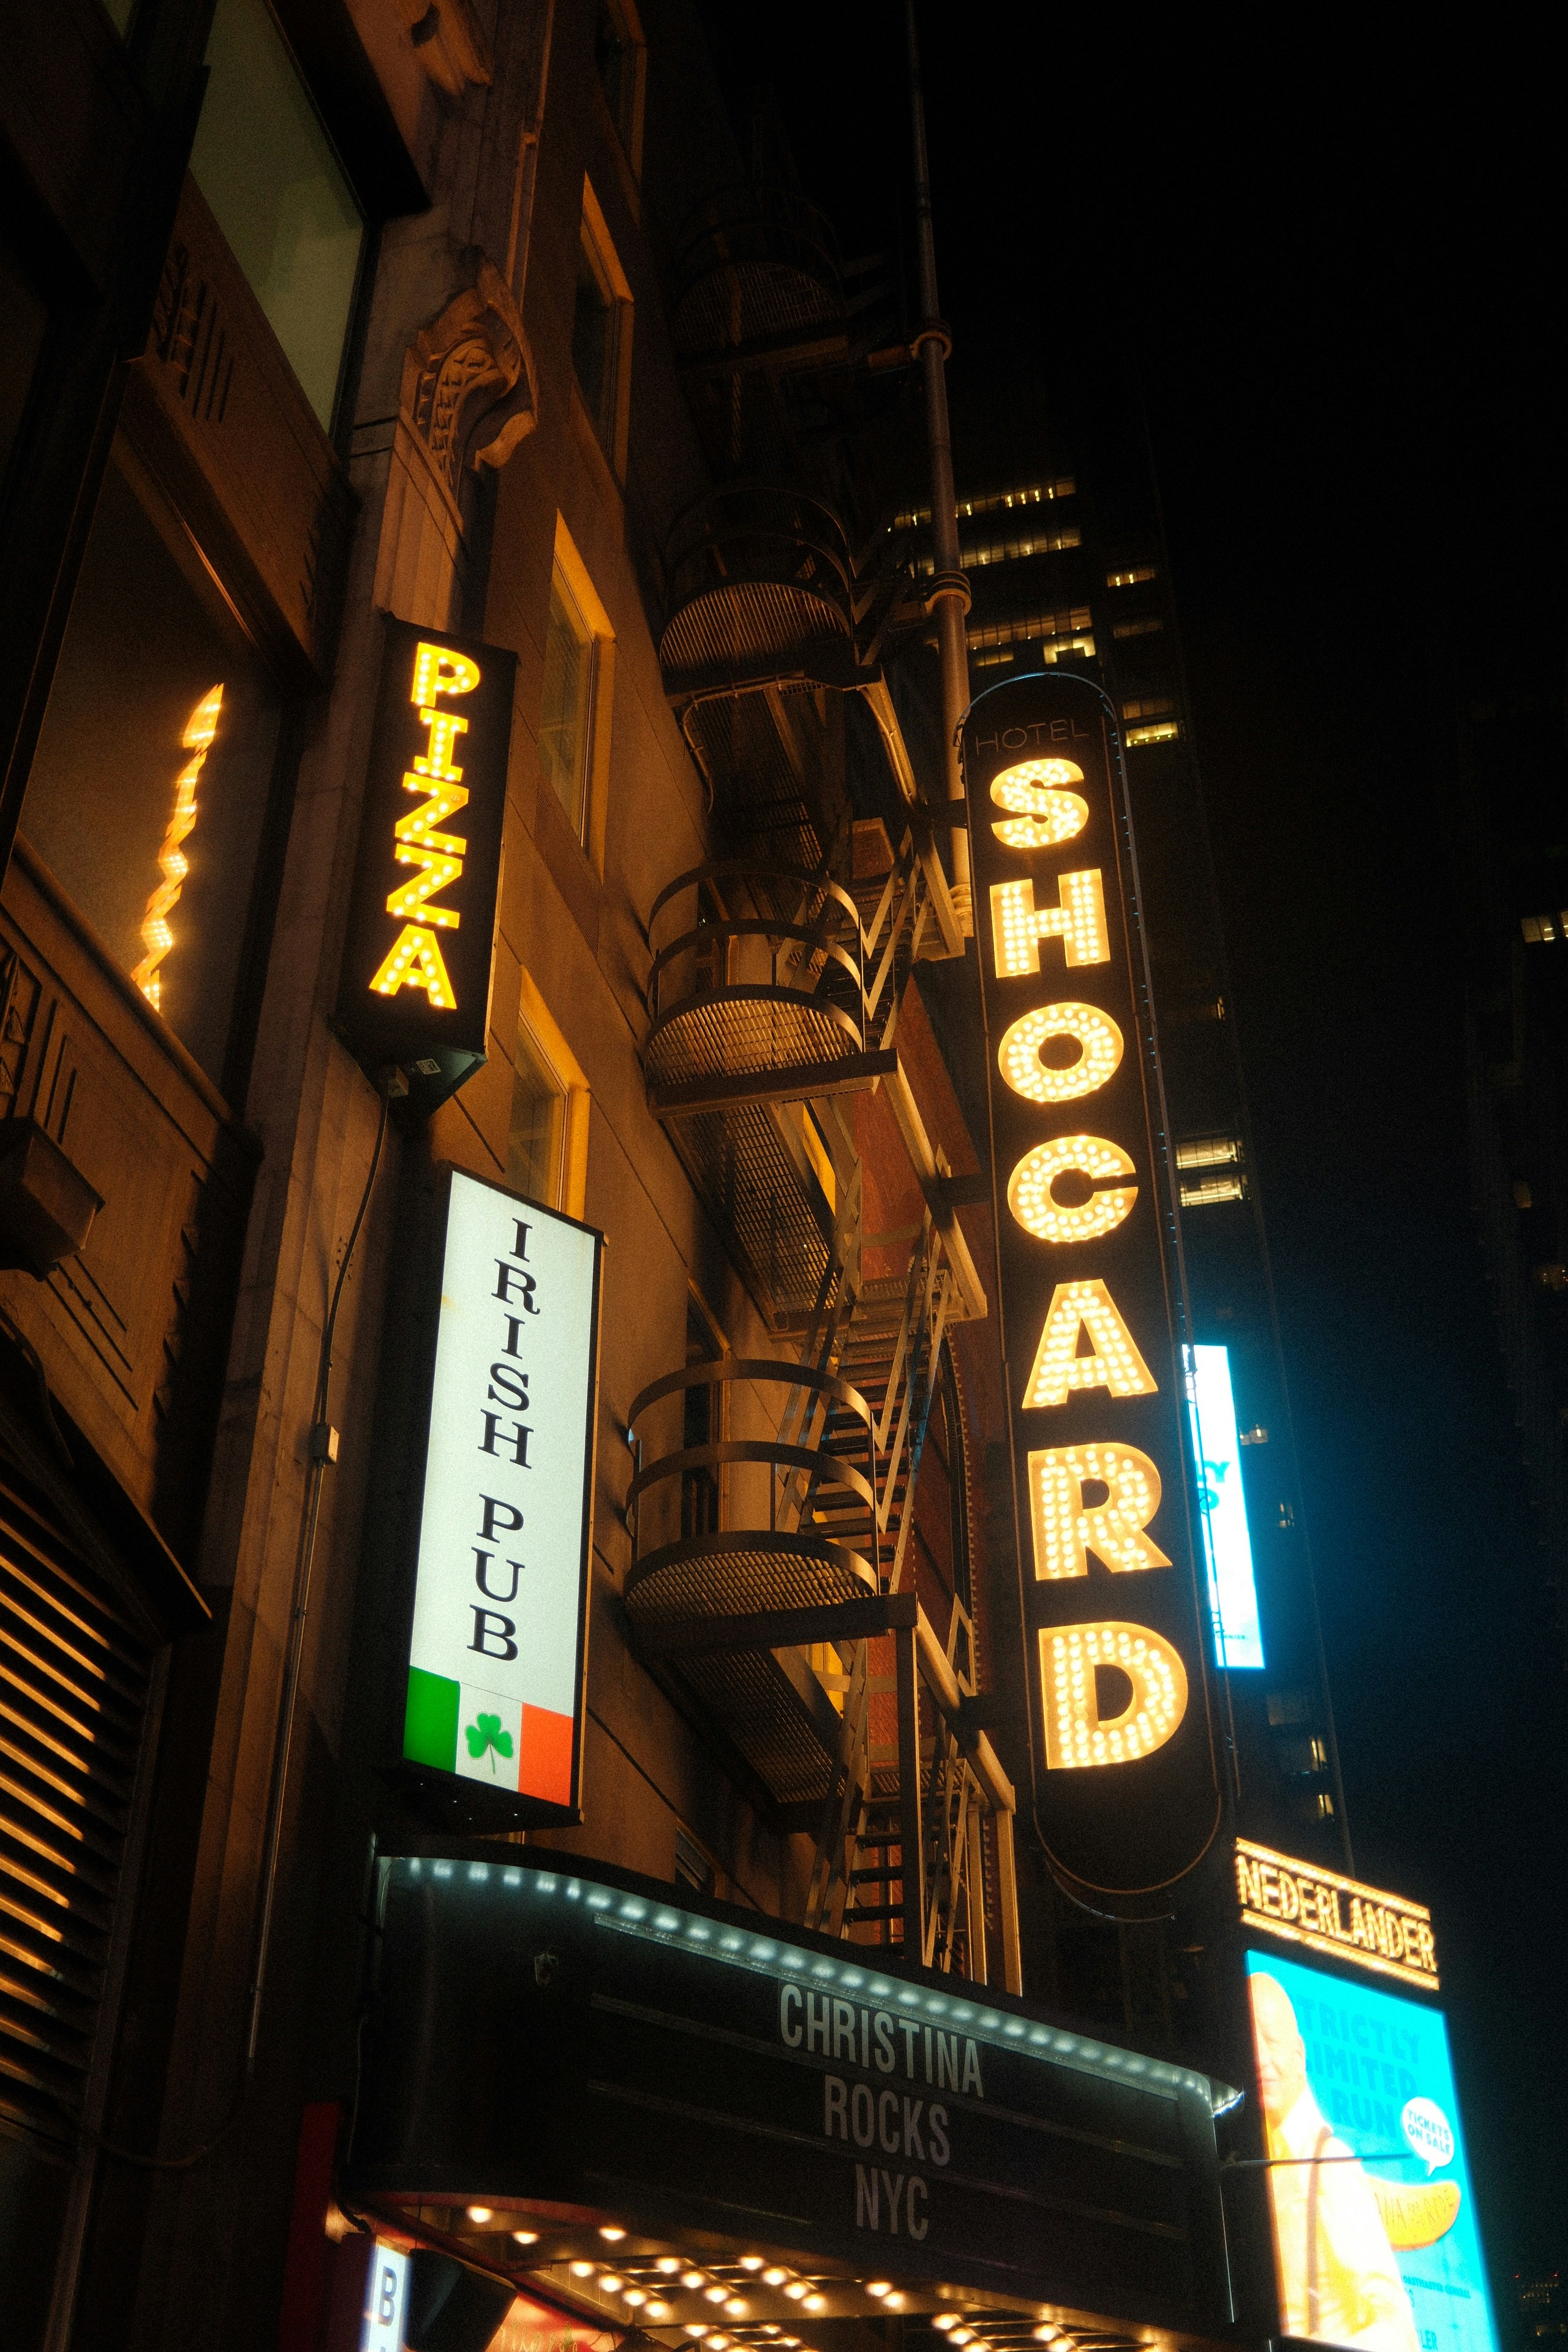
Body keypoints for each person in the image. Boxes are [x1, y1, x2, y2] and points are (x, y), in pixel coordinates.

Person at [1249, 1972, 1419, 2352]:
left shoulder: (1330, 2165)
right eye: (1250, 2041)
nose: (1260, 2059)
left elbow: (1399, 2332)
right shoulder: (1255, 2164)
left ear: (1299, 2054)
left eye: (1272, 2041)